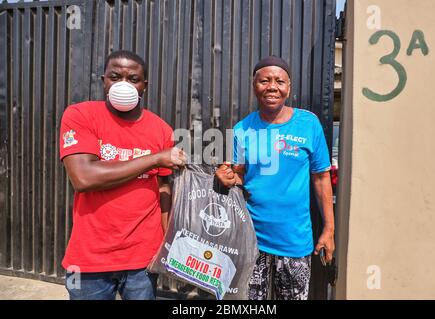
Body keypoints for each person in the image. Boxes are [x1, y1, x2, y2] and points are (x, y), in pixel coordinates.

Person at [59, 50, 186, 300]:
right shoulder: (80, 115)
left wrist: (167, 243)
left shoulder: (161, 129)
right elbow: (83, 178)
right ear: (103, 80)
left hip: (143, 259)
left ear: (144, 86)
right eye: (115, 77)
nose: (123, 85)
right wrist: (156, 157)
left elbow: (163, 188)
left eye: (133, 79)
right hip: (90, 259)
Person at [215, 56, 335, 300]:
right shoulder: (242, 130)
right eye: (264, 80)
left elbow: (322, 179)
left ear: (288, 87)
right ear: (254, 85)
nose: (272, 86)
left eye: (279, 81)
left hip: (295, 241)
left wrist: (329, 230)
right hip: (250, 240)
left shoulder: (308, 124)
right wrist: (225, 179)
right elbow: (239, 178)